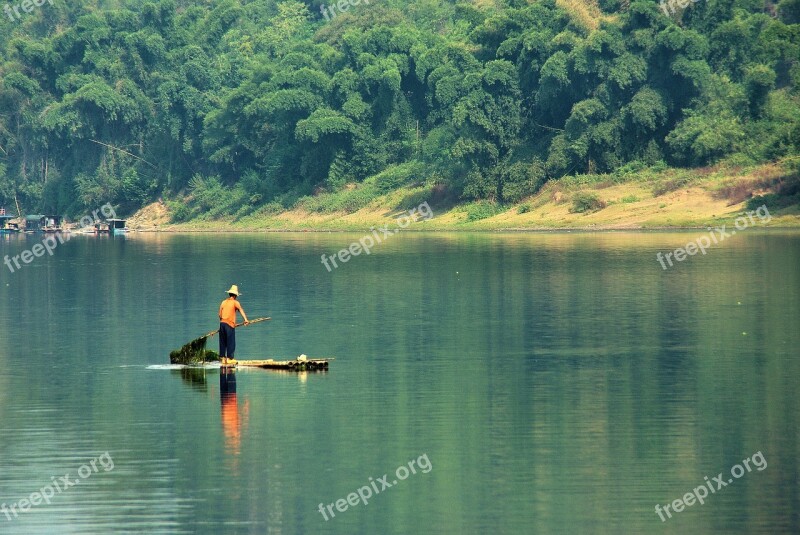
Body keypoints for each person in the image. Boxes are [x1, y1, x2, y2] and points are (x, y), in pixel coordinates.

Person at [219, 285, 249, 365]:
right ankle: (229, 358)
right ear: (235, 295)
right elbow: (241, 310)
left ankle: (222, 358)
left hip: (222, 324)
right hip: (229, 325)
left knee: (223, 342)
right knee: (230, 341)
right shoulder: (235, 302)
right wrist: (245, 320)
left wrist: (223, 324)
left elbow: (220, 315)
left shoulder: (223, 302)